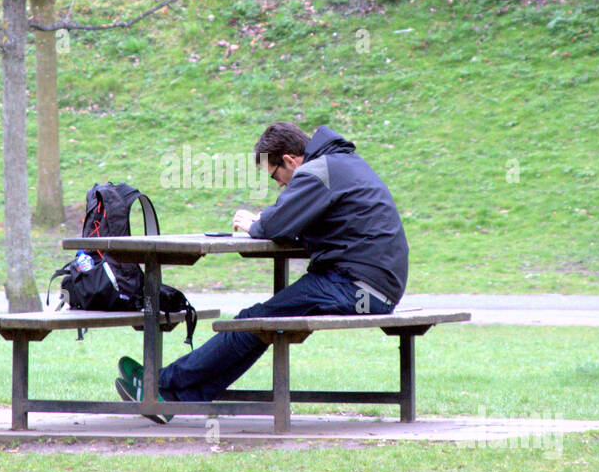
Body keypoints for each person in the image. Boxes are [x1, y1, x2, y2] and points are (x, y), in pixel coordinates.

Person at [114, 122, 410, 423]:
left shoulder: (318, 170)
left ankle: (159, 387)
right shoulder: (342, 163)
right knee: (261, 326)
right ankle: (177, 397)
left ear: (290, 160)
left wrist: (255, 222)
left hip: (355, 287)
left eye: (275, 175)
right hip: (372, 286)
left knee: (253, 322)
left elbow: (275, 225)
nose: (280, 184)